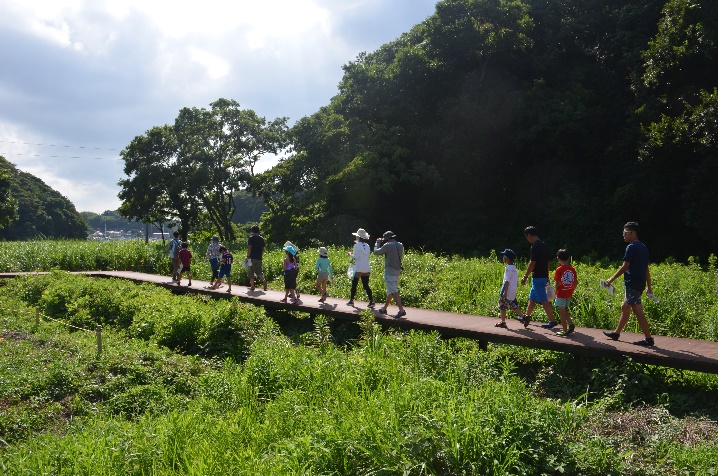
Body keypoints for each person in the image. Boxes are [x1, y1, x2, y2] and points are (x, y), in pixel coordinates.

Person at [602, 222, 655, 346]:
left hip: (633, 283)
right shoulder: (643, 247)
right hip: (639, 283)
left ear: (633, 233)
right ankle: (616, 333)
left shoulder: (631, 247)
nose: (623, 236)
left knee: (638, 311)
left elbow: (625, 266)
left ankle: (648, 339)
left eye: (625, 233)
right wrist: (649, 287)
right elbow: (646, 269)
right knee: (625, 307)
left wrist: (610, 280)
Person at [520, 226, 557, 329]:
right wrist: (547, 276)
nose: (527, 239)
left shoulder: (535, 246)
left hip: (537, 277)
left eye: (527, 237)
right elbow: (548, 263)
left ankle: (552, 321)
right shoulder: (544, 245)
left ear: (529, 235)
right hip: (543, 276)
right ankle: (526, 316)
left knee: (543, 300)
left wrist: (525, 276)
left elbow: (532, 263)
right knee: (532, 298)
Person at [373, 231, 406, 318]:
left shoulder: (388, 245)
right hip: (397, 271)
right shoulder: (400, 245)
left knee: (393, 291)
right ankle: (384, 308)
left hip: (390, 272)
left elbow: (376, 252)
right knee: (391, 291)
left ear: (387, 239)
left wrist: (377, 243)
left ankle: (401, 310)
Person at [494, 249, 528, 328]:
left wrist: (505, 292)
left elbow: (507, 281)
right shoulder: (514, 268)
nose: (503, 258)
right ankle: (524, 317)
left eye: (504, 256)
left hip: (507, 289)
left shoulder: (508, 268)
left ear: (507, 258)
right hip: (513, 289)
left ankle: (503, 322)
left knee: (502, 305)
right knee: (513, 305)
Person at [346, 228, 374, 307]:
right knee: (366, 285)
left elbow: (356, 257)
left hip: (358, 268)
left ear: (358, 237)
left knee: (354, 285)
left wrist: (350, 254)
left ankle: (351, 300)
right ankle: (371, 301)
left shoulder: (356, 245)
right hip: (366, 268)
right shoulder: (367, 246)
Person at [553, 249, 577, 336]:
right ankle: (570, 324)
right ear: (568, 258)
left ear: (558, 258)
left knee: (561, 312)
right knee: (565, 309)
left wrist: (555, 291)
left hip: (561, 294)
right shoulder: (572, 269)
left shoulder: (559, 269)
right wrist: (572, 290)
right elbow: (575, 282)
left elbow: (557, 283)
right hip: (568, 293)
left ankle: (564, 330)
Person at [246, 225, 268, 291]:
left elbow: (250, 247)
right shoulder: (261, 239)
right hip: (259, 257)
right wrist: (260, 255)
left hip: (252, 257)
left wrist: (248, 256)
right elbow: (263, 249)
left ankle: (252, 286)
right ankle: (263, 280)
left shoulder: (251, 238)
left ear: (252, 231)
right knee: (259, 271)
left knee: (251, 271)